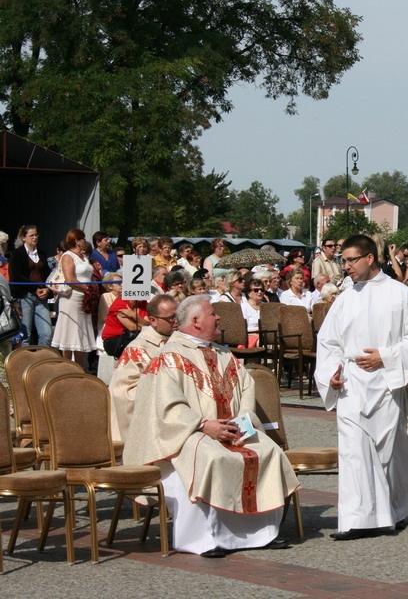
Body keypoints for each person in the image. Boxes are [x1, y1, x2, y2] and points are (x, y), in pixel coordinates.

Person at [124, 294, 297, 557]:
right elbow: (164, 407)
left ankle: (262, 533)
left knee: (269, 452)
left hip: (233, 431)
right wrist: (203, 425)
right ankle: (204, 539)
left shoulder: (225, 354)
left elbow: (246, 393)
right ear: (195, 321)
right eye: (212, 313)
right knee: (211, 456)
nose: (218, 318)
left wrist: (242, 424)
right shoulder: (169, 357)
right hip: (187, 434)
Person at [314, 234, 408, 540]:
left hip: (387, 383)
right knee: (353, 452)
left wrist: (386, 356)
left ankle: (390, 512)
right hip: (352, 384)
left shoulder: (400, 294)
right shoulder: (345, 299)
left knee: (386, 450)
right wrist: (332, 374)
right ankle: (355, 520)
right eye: (343, 261)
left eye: (351, 260)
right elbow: (328, 342)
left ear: (369, 258)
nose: (346, 266)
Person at [108, 294, 178, 442]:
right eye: (171, 318)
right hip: (149, 419)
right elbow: (121, 391)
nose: (176, 322)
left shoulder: (177, 341)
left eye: (178, 316)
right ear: (152, 320)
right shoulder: (139, 348)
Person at [51, 228, 95, 364]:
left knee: (81, 334)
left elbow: (87, 276)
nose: (84, 241)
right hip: (72, 299)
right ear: (77, 241)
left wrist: (92, 289)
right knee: (69, 334)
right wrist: (88, 289)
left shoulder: (84, 257)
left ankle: (79, 369)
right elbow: (70, 279)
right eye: (82, 239)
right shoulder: (68, 256)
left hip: (84, 300)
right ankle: (67, 367)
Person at [9, 225, 53, 346]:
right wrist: (36, 288)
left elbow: (48, 275)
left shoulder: (42, 253)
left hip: (41, 297)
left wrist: (47, 289)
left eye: (36, 235)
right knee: (25, 334)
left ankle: (41, 361)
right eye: (31, 235)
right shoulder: (17, 254)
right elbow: (16, 276)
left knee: (46, 333)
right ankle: (24, 363)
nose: (35, 237)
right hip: (25, 297)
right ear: (23, 238)